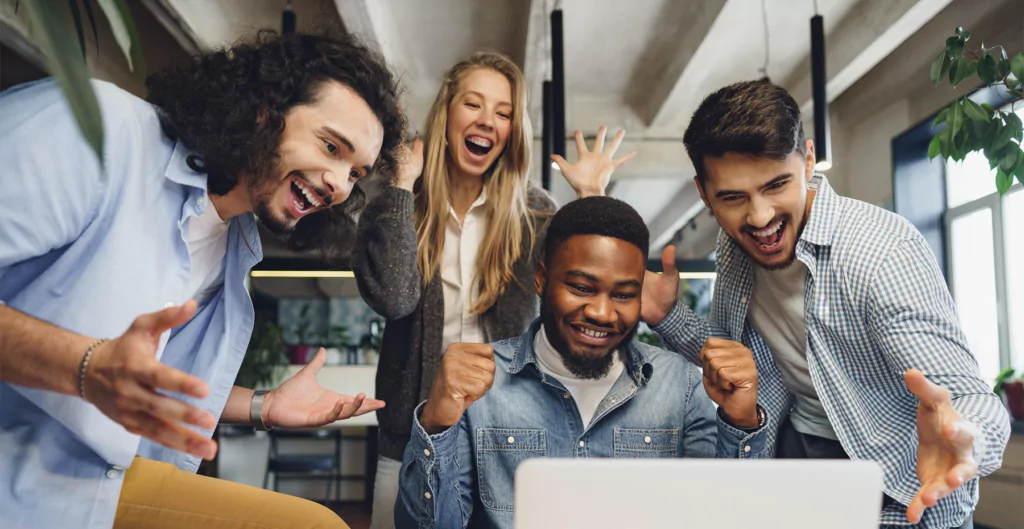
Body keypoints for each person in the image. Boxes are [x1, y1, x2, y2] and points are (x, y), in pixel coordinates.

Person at [0, 32, 406, 529]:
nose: (339, 185)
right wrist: (84, 367)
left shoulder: (232, 243)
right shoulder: (99, 130)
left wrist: (264, 405)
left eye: (356, 173)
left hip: (91, 485)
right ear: (264, 109)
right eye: (330, 146)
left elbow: (143, 382)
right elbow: (104, 372)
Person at [640, 79, 1011, 529]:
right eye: (733, 197)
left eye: (776, 185)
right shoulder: (737, 246)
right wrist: (668, 317)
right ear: (704, 192)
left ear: (809, 159)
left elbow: (967, 396)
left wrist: (966, 438)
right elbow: (735, 359)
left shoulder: (881, 253)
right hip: (800, 462)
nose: (759, 218)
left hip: (903, 485)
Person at [351, 52, 634, 529]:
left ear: (511, 131)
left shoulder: (534, 213)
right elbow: (394, 298)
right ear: (447, 112)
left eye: (503, 112)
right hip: (412, 432)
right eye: (474, 105)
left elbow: (586, 295)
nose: (487, 121)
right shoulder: (398, 206)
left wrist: (590, 201)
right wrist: (401, 182)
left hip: (512, 434)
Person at [393, 196, 770, 529]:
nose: (602, 313)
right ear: (541, 279)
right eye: (581, 288)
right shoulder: (480, 387)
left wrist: (741, 423)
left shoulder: (683, 385)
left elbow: (726, 517)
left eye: (623, 294)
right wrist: (436, 425)